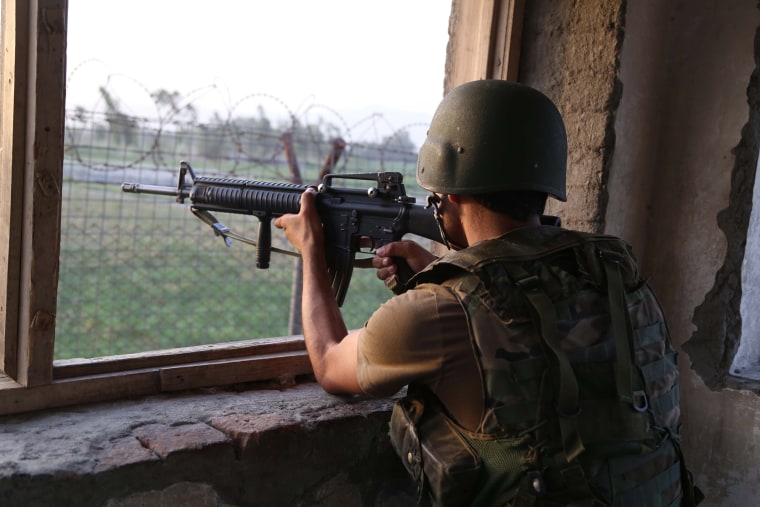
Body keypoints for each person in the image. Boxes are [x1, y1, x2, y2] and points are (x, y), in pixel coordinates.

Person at [274, 80, 701, 507]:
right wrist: (443, 276)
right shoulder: (612, 272)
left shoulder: (437, 310)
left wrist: (312, 248)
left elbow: (330, 363)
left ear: (450, 190)